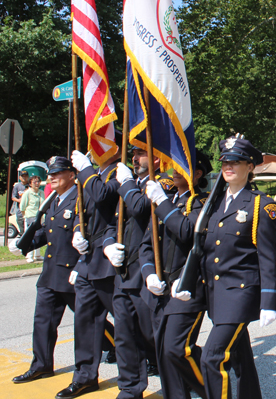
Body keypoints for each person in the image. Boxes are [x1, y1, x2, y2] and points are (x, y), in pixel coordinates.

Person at [199, 136, 276, 399]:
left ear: (250, 167)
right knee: (240, 356)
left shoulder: (260, 204)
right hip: (216, 294)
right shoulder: (214, 203)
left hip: (240, 295)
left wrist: (268, 301)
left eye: (236, 161)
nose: (228, 166)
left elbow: (267, 257)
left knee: (212, 358)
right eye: (225, 162)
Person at [141, 150, 212, 399]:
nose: (174, 169)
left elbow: (184, 231)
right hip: (162, 288)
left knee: (176, 349)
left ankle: (214, 392)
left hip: (187, 288)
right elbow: (147, 245)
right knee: (163, 353)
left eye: (182, 166)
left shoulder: (203, 203)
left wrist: (163, 203)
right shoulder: (168, 201)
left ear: (198, 174)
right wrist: (149, 273)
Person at [105, 146, 174, 399]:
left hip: (148, 274)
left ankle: (186, 374)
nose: (133, 158)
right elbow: (115, 222)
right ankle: (130, 389)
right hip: (124, 274)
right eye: (132, 153)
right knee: (125, 338)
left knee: (158, 338)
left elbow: (141, 208)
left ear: (155, 157)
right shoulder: (131, 184)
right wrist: (107, 245)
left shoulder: (163, 181)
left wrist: (124, 184)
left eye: (139, 154)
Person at [55, 144, 122, 399]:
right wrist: (76, 232)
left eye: (100, 143)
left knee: (130, 324)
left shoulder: (119, 173)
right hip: (87, 262)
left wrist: (84, 169)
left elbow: (103, 196)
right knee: (85, 322)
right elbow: (80, 210)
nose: (94, 150)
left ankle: (161, 362)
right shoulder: (90, 175)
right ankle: (85, 377)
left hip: (109, 262)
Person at [9, 157, 80, 384]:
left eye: (57, 173)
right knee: (42, 322)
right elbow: (48, 232)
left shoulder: (81, 199)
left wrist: (81, 268)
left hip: (71, 273)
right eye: (50, 174)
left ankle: (118, 346)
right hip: (50, 273)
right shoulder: (53, 200)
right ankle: (41, 365)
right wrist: (24, 243)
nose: (51, 177)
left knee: (90, 322)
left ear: (72, 174)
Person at [20, 175, 45, 262]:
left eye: (38, 181)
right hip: (30, 216)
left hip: (40, 217)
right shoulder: (27, 193)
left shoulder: (41, 193)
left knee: (39, 235)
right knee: (30, 236)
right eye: (34, 182)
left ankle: (37, 254)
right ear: (30, 184)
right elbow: (22, 206)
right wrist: (25, 216)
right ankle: (29, 255)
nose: (37, 183)